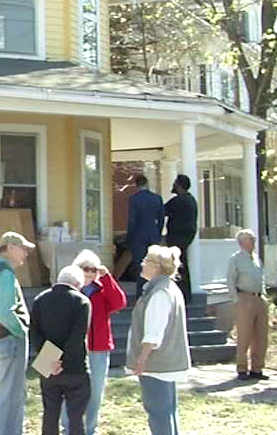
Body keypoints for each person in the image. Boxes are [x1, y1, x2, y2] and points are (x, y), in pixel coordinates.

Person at [126, 245, 191, 435]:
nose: (142, 263)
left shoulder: (160, 293)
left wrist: (142, 358)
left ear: (156, 266)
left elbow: (154, 331)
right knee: (167, 412)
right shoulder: (168, 288)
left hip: (158, 364)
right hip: (165, 362)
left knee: (159, 413)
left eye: (146, 260)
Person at [60, 250, 127, 435]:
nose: (89, 273)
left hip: (98, 347)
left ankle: (90, 429)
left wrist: (107, 278)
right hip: (74, 348)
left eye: (93, 269)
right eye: (84, 269)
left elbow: (119, 303)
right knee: (70, 389)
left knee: (95, 390)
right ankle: (68, 428)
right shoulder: (69, 289)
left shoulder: (102, 289)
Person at [0, 231, 35, 435]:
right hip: (9, 339)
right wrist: (20, 330)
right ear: (10, 247)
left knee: (9, 391)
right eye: (23, 249)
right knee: (13, 394)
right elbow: (3, 311)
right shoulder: (4, 272)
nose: (26, 254)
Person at [32, 265, 92, 435]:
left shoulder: (40, 299)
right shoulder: (81, 302)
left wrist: (50, 360)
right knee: (76, 416)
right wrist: (64, 361)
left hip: (47, 363)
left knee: (50, 412)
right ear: (77, 284)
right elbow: (77, 336)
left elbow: (35, 333)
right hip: (74, 366)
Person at [227, 229, 268, 381]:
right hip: (244, 297)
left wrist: (264, 295)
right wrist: (236, 299)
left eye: (254, 238)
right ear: (242, 242)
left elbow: (262, 276)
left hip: (259, 298)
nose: (254, 241)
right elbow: (230, 279)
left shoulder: (257, 258)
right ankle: (242, 368)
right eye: (251, 239)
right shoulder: (236, 259)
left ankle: (257, 368)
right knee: (244, 334)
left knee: (261, 335)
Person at [127, 175, 166, 297]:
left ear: (137, 185)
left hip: (138, 236)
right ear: (147, 184)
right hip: (153, 234)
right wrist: (158, 233)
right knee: (154, 264)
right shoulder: (157, 198)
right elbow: (161, 219)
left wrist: (130, 236)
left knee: (140, 266)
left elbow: (132, 220)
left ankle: (141, 294)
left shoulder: (134, 199)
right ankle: (154, 292)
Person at [163, 175, 198, 304]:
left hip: (177, 237)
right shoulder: (191, 200)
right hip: (186, 236)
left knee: (176, 264)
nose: (174, 186)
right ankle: (185, 294)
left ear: (179, 185)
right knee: (182, 262)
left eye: (175, 183)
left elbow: (162, 210)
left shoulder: (179, 201)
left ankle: (180, 294)